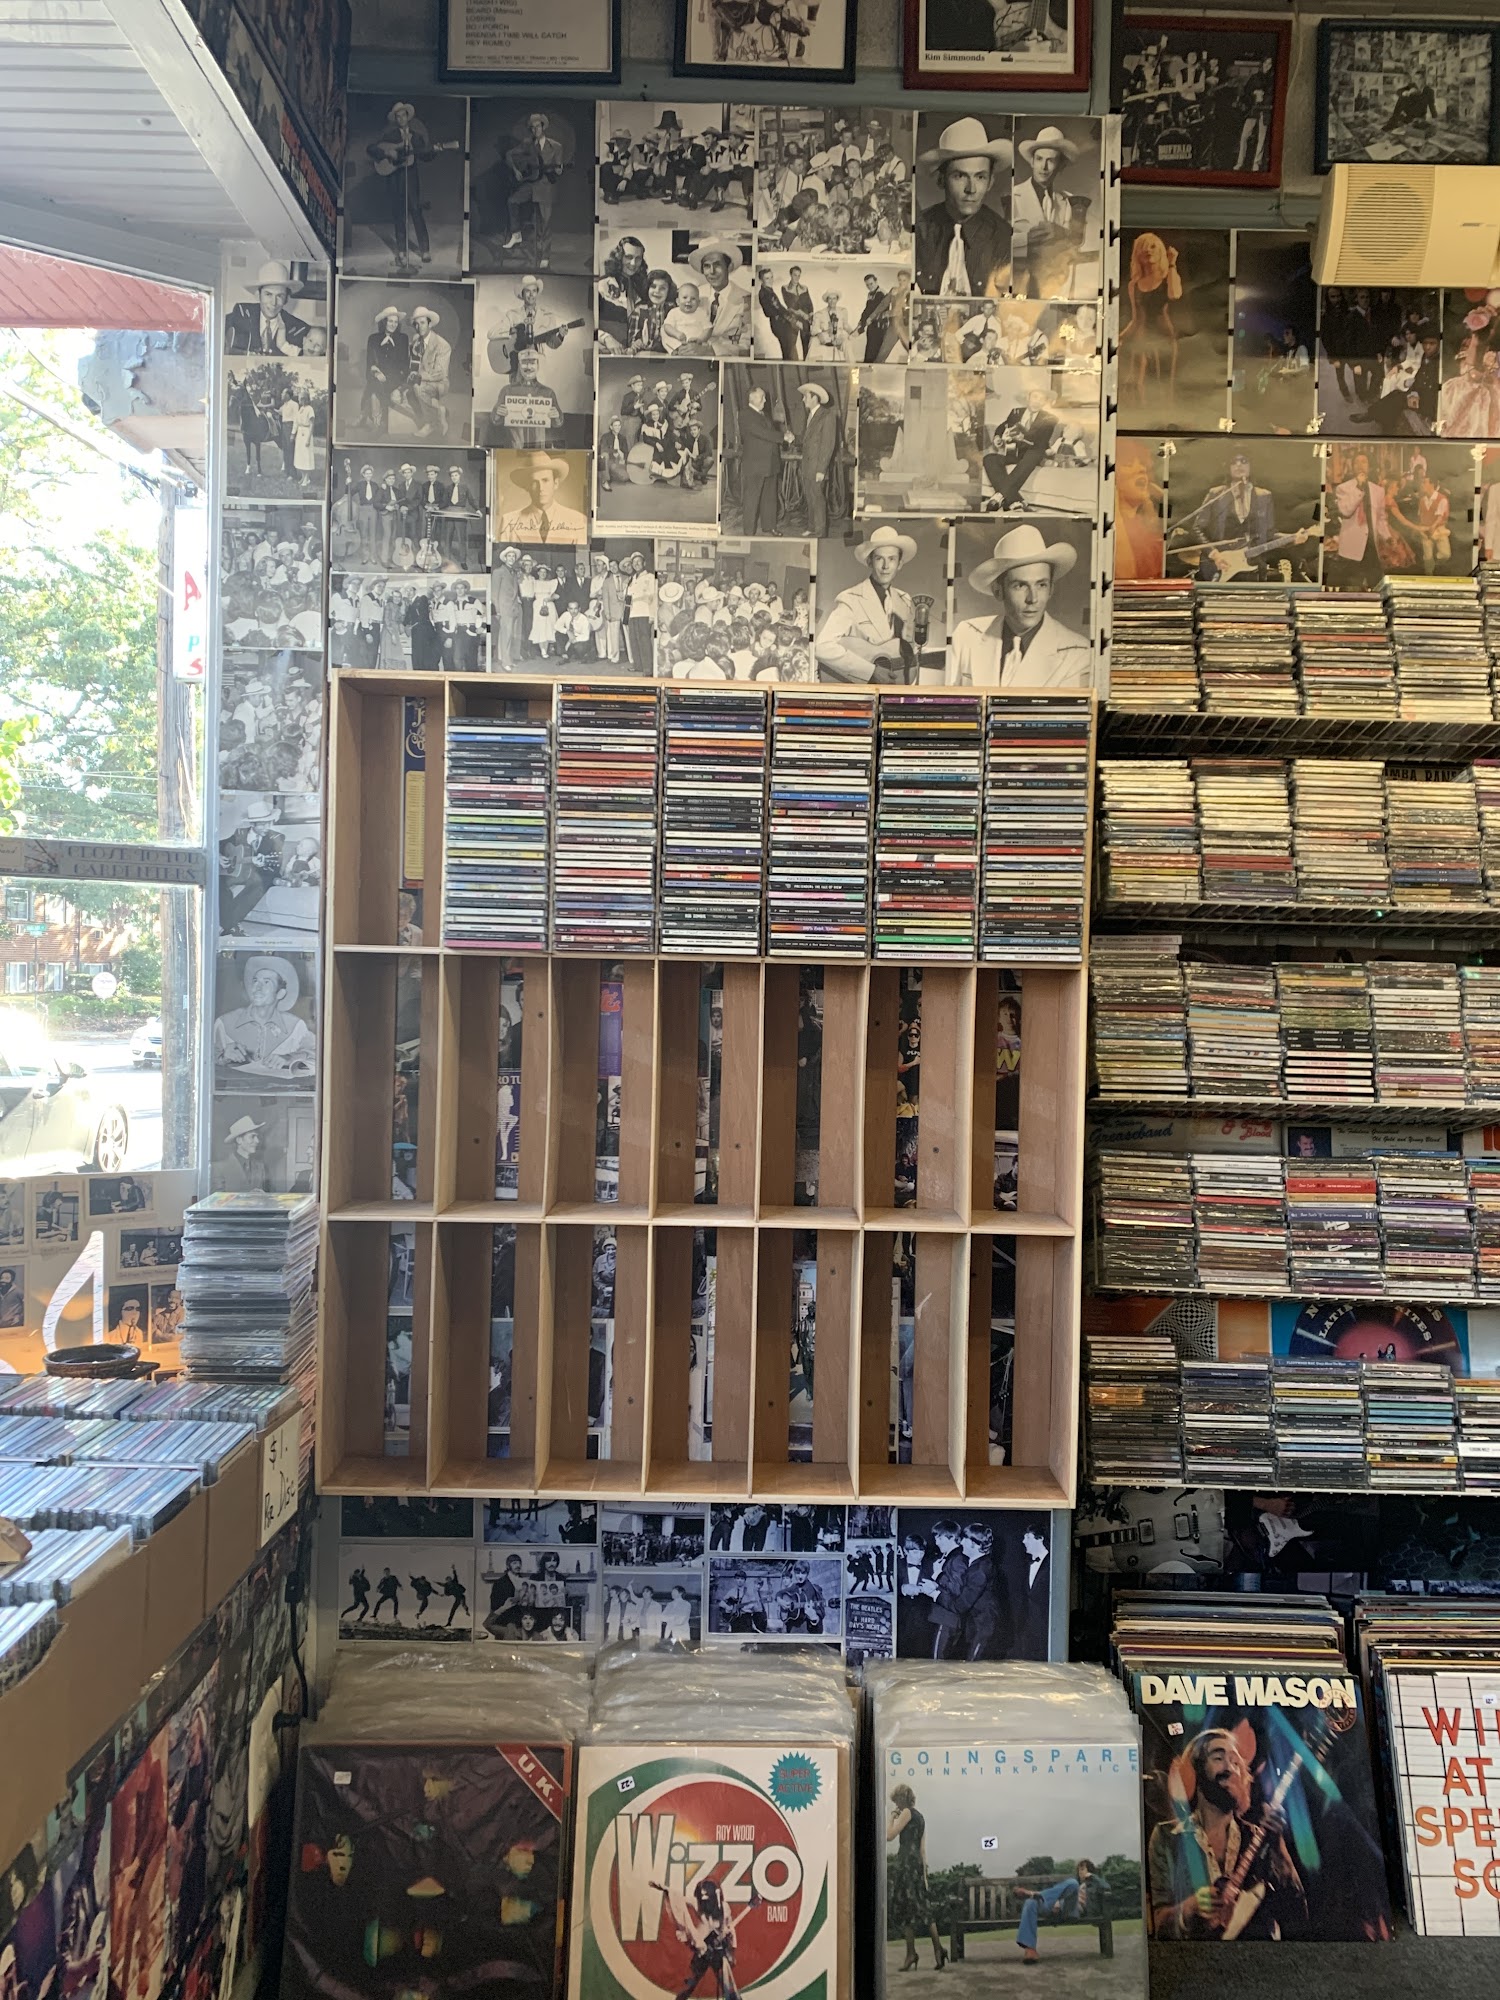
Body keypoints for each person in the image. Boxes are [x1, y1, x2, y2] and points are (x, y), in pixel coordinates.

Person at [1147, 1728, 1307, 1939]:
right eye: (1218, 1758)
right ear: (1196, 1770)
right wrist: (1190, 1908)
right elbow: (1158, 1924)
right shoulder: (1166, 1837)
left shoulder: (1259, 1838)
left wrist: (1278, 1848)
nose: (1230, 1767)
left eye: (1235, 1762)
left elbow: (1298, 1914)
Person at [951, 523, 1089, 687]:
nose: (1032, 598)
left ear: (1051, 589)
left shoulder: (1077, 652)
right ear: (998, 591)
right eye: (1020, 585)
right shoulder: (967, 635)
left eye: (1041, 585)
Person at [914, 117, 1012, 297]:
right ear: (941, 180)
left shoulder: (1004, 238)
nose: (971, 189)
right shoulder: (919, 232)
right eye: (959, 176)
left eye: (980, 177)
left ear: (990, 182)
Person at [815, 524, 919, 683]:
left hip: (891, 687)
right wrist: (870, 671)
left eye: (892, 559)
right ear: (870, 562)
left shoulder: (905, 600)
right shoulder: (850, 599)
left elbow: (908, 649)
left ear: (899, 564)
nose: (885, 566)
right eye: (879, 559)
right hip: (858, 687)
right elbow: (822, 647)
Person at [366, 101, 443, 271]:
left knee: (416, 210)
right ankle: (401, 251)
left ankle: (425, 250)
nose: (401, 119)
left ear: (408, 117)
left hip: (411, 180)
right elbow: (371, 149)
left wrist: (435, 150)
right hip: (395, 179)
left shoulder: (416, 137)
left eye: (403, 116)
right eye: (398, 117)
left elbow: (425, 156)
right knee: (399, 214)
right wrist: (388, 151)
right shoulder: (390, 136)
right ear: (395, 119)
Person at [214, 955, 315, 1080]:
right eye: (255, 981)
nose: (257, 988)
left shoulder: (295, 1026)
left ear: (280, 993)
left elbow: (319, 1055)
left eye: (266, 982)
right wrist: (223, 1057)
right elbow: (200, 1062)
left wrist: (290, 1058)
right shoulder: (224, 1023)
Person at [1011, 124, 1084, 296]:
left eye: (1050, 161)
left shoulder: (1067, 201)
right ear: (1031, 161)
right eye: (1039, 159)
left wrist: (1061, 232)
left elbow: (1075, 246)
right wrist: (1026, 239)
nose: (1043, 167)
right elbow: (998, 246)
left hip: (1055, 286)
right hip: (1022, 287)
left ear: (1060, 166)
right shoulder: (1013, 196)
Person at [886, 1784, 948, 1973]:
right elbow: (922, 1848)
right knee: (921, 1907)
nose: (896, 1804)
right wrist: (924, 1875)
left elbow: (889, 1836)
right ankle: (937, 1949)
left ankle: (912, 1953)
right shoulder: (920, 1817)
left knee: (906, 1907)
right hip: (916, 1866)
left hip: (906, 1864)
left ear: (902, 1798)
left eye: (896, 1800)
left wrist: (892, 1817)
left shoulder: (906, 1813)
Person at [1121, 231, 1183, 409]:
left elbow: (1174, 294)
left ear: (1160, 250)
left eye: (1153, 246)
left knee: (1164, 383)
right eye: (1143, 247)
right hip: (1143, 338)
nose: (1148, 250)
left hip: (1164, 337)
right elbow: (1136, 318)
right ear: (1138, 254)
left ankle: (1164, 418)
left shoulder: (1168, 277)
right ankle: (1143, 417)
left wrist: (1172, 264)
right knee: (1140, 383)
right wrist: (1119, 337)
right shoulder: (1134, 285)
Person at [502, 111, 565, 269]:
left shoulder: (556, 146)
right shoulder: (527, 144)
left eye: (538, 126)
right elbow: (509, 155)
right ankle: (516, 234)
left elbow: (559, 169)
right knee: (512, 201)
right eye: (532, 127)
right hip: (531, 184)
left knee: (545, 222)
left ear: (543, 127)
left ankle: (545, 256)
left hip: (546, 187)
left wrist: (558, 170)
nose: (535, 130)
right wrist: (516, 171)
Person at [983, 387, 1059, 511]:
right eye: (1035, 397)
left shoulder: (1050, 418)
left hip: (1034, 453)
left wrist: (1023, 437)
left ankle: (999, 496)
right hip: (1014, 453)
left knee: (1034, 454)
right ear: (1028, 398)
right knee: (989, 458)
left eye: (1042, 399)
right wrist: (997, 436)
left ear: (1045, 402)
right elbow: (1003, 426)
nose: (1037, 401)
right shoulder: (1016, 412)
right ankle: (1015, 501)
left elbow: (1041, 441)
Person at [1017, 1860, 1103, 1964]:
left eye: (1083, 1869)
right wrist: (1056, 1902)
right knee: (1031, 1902)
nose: (1081, 1872)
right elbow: (1059, 1895)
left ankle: (1037, 1894)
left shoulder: (1094, 1883)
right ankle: (1030, 1950)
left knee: (1072, 1883)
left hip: (1072, 1910)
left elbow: (1106, 1887)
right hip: (1056, 1907)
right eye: (1079, 1870)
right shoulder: (1075, 1883)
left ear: (1090, 1871)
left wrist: (1093, 1877)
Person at [1328, 448, 1390, 588]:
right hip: (1351, 545)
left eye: (1364, 462)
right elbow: (1346, 511)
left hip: (1371, 545)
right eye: (1356, 462)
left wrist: (1387, 537)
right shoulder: (1343, 488)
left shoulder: (1378, 490)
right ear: (1352, 466)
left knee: (1377, 585)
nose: (1360, 465)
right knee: (1351, 586)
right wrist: (1359, 489)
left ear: (1369, 466)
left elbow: (1381, 518)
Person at [497, 450, 587, 543]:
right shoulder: (508, 521)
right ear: (527, 486)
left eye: (545, 480)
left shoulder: (578, 521)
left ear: (555, 483)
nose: (541, 488)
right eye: (534, 482)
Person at [737, 382, 790, 535]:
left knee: (770, 498)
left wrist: (784, 436)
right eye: (762, 397)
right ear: (752, 398)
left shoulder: (764, 415)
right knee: (751, 499)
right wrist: (783, 437)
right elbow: (761, 433)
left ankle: (770, 526)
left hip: (770, 463)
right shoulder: (745, 414)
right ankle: (749, 532)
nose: (765, 400)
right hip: (755, 465)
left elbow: (769, 434)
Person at [224, 261, 311, 353]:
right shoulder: (240, 315)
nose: (274, 302)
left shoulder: (299, 329)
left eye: (280, 296)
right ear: (258, 295)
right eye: (268, 294)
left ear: (286, 299)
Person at [491, 344, 565, 449]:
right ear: (519, 365)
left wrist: (556, 416)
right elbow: (495, 420)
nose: (528, 367)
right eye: (524, 363)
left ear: (538, 365)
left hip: (538, 450)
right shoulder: (507, 391)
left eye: (532, 363)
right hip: (513, 449)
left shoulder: (547, 393)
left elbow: (558, 423)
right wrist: (498, 413)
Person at [798, 379, 839, 537]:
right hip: (807, 466)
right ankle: (811, 527)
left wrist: (821, 470)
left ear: (814, 398)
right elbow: (807, 440)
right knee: (809, 498)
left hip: (817, 468)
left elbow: (828, 445)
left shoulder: (827, 416)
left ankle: (821, 532)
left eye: (806, 397)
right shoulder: (810, 416)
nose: (803, 400)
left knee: (818, 499)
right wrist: (792, 438)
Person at [407, 305, 452, 438]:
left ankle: (430, 423)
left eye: (422, 323)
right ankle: (439, 412)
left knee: (418, 388)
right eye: (416, 324)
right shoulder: (416, 340)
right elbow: (414, 362)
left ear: (430, 324)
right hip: (420, 378)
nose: (419, 327)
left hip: (439, 383)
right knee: (398, 394)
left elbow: (440, 373)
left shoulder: (442, 345)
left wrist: (419, 376)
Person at [362, 305, 408, 434]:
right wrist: (377, 373)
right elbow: (370, 363)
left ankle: (373, 420)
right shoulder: (373, 339)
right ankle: (380, 422)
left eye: (395, 322)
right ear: (384, 322)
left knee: (373, 388)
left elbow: (404, 364)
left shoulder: (403, 338)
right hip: (378, 376)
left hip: (396, 376)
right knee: (375, 382)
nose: (393, 325)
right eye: (390, 321)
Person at [781, 264, 814, 357]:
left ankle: (806, 362)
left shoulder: (804, 288)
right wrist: (801, 313)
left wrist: (811, 316)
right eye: (795, 275)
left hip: (805, 319)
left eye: (799, 275)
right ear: (790, 275)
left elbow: (809, 304)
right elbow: (789, 305)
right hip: (793, 318)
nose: (797, 278)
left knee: (806, 345)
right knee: (791, 344)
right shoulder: (785, 288)